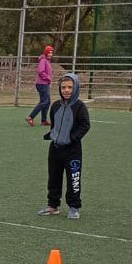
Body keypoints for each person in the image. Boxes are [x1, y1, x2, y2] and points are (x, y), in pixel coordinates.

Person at [37, 73, 90, 220]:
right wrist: (52, 135)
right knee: (53, 178)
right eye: (63, 87)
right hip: (55, 150)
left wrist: (72, 138)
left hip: (72, 151)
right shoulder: (55, 106)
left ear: (76, 88)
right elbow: (56, 125)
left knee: (73, 179)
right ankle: (53, 206)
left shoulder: (79, 107)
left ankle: (74, 207)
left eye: (70, 87)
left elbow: (85, 125)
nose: (66, 90)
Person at [26, 45, 54, 127]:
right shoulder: (43, 60)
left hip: (45, 84)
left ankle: (44, 121)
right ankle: (30, 117)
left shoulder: (47, 61)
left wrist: (48, 80)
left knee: (47, 102)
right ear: (46, 52)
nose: (51, 54)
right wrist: (48, 78)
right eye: (49, 52)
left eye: (51, 53)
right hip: (42, 84)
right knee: (44, 102)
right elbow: (40, 71)